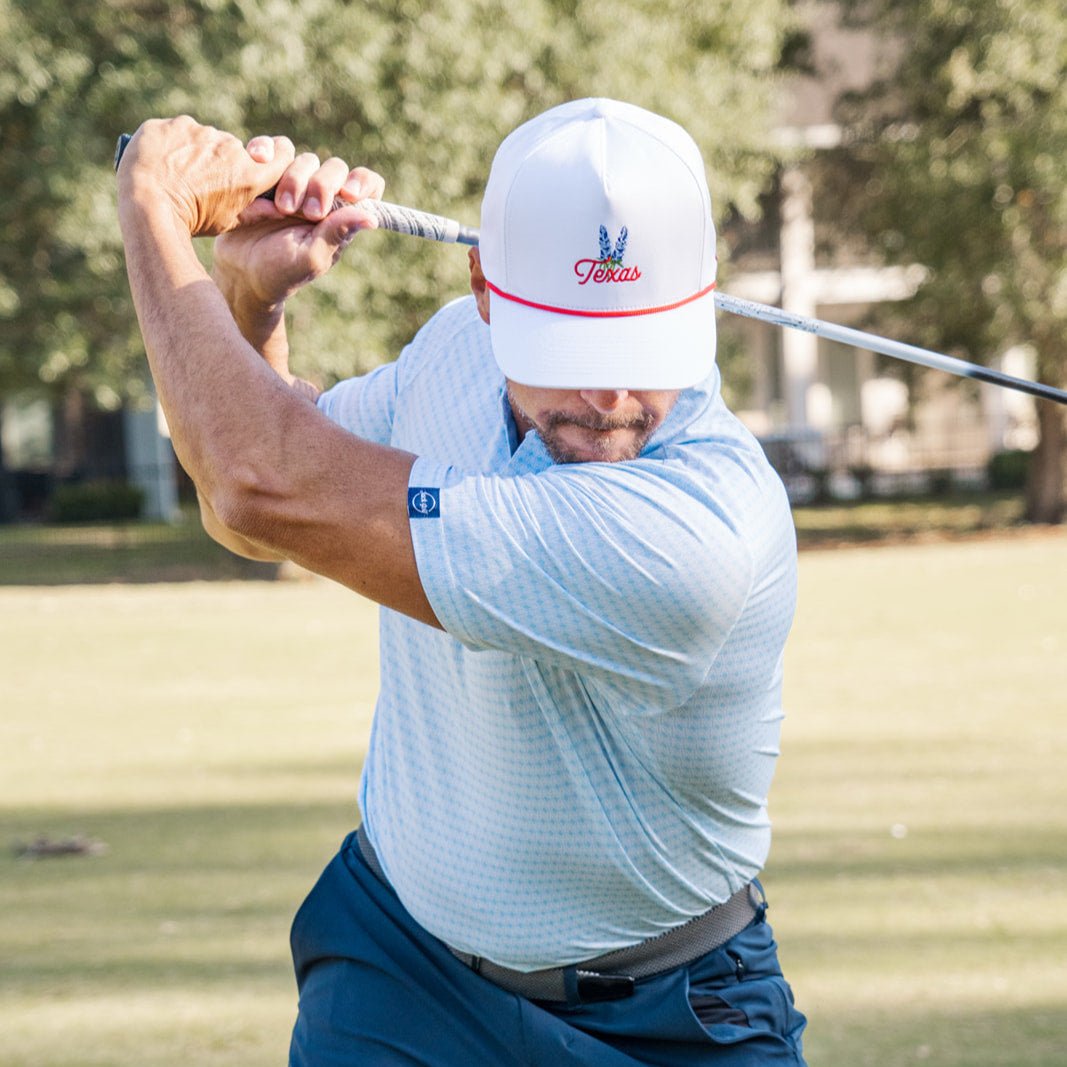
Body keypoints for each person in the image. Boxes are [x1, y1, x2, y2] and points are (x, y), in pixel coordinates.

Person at [116, 98, 807, 1066]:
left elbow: (260, 481)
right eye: (567, 355)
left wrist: (152, 204)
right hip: (398, 964)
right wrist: (248, 299)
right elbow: (245, 513)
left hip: (660, 1015)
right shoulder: (449, 352)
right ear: (484, 288)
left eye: (639, 353)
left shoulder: (699, 529)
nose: (606, 398)